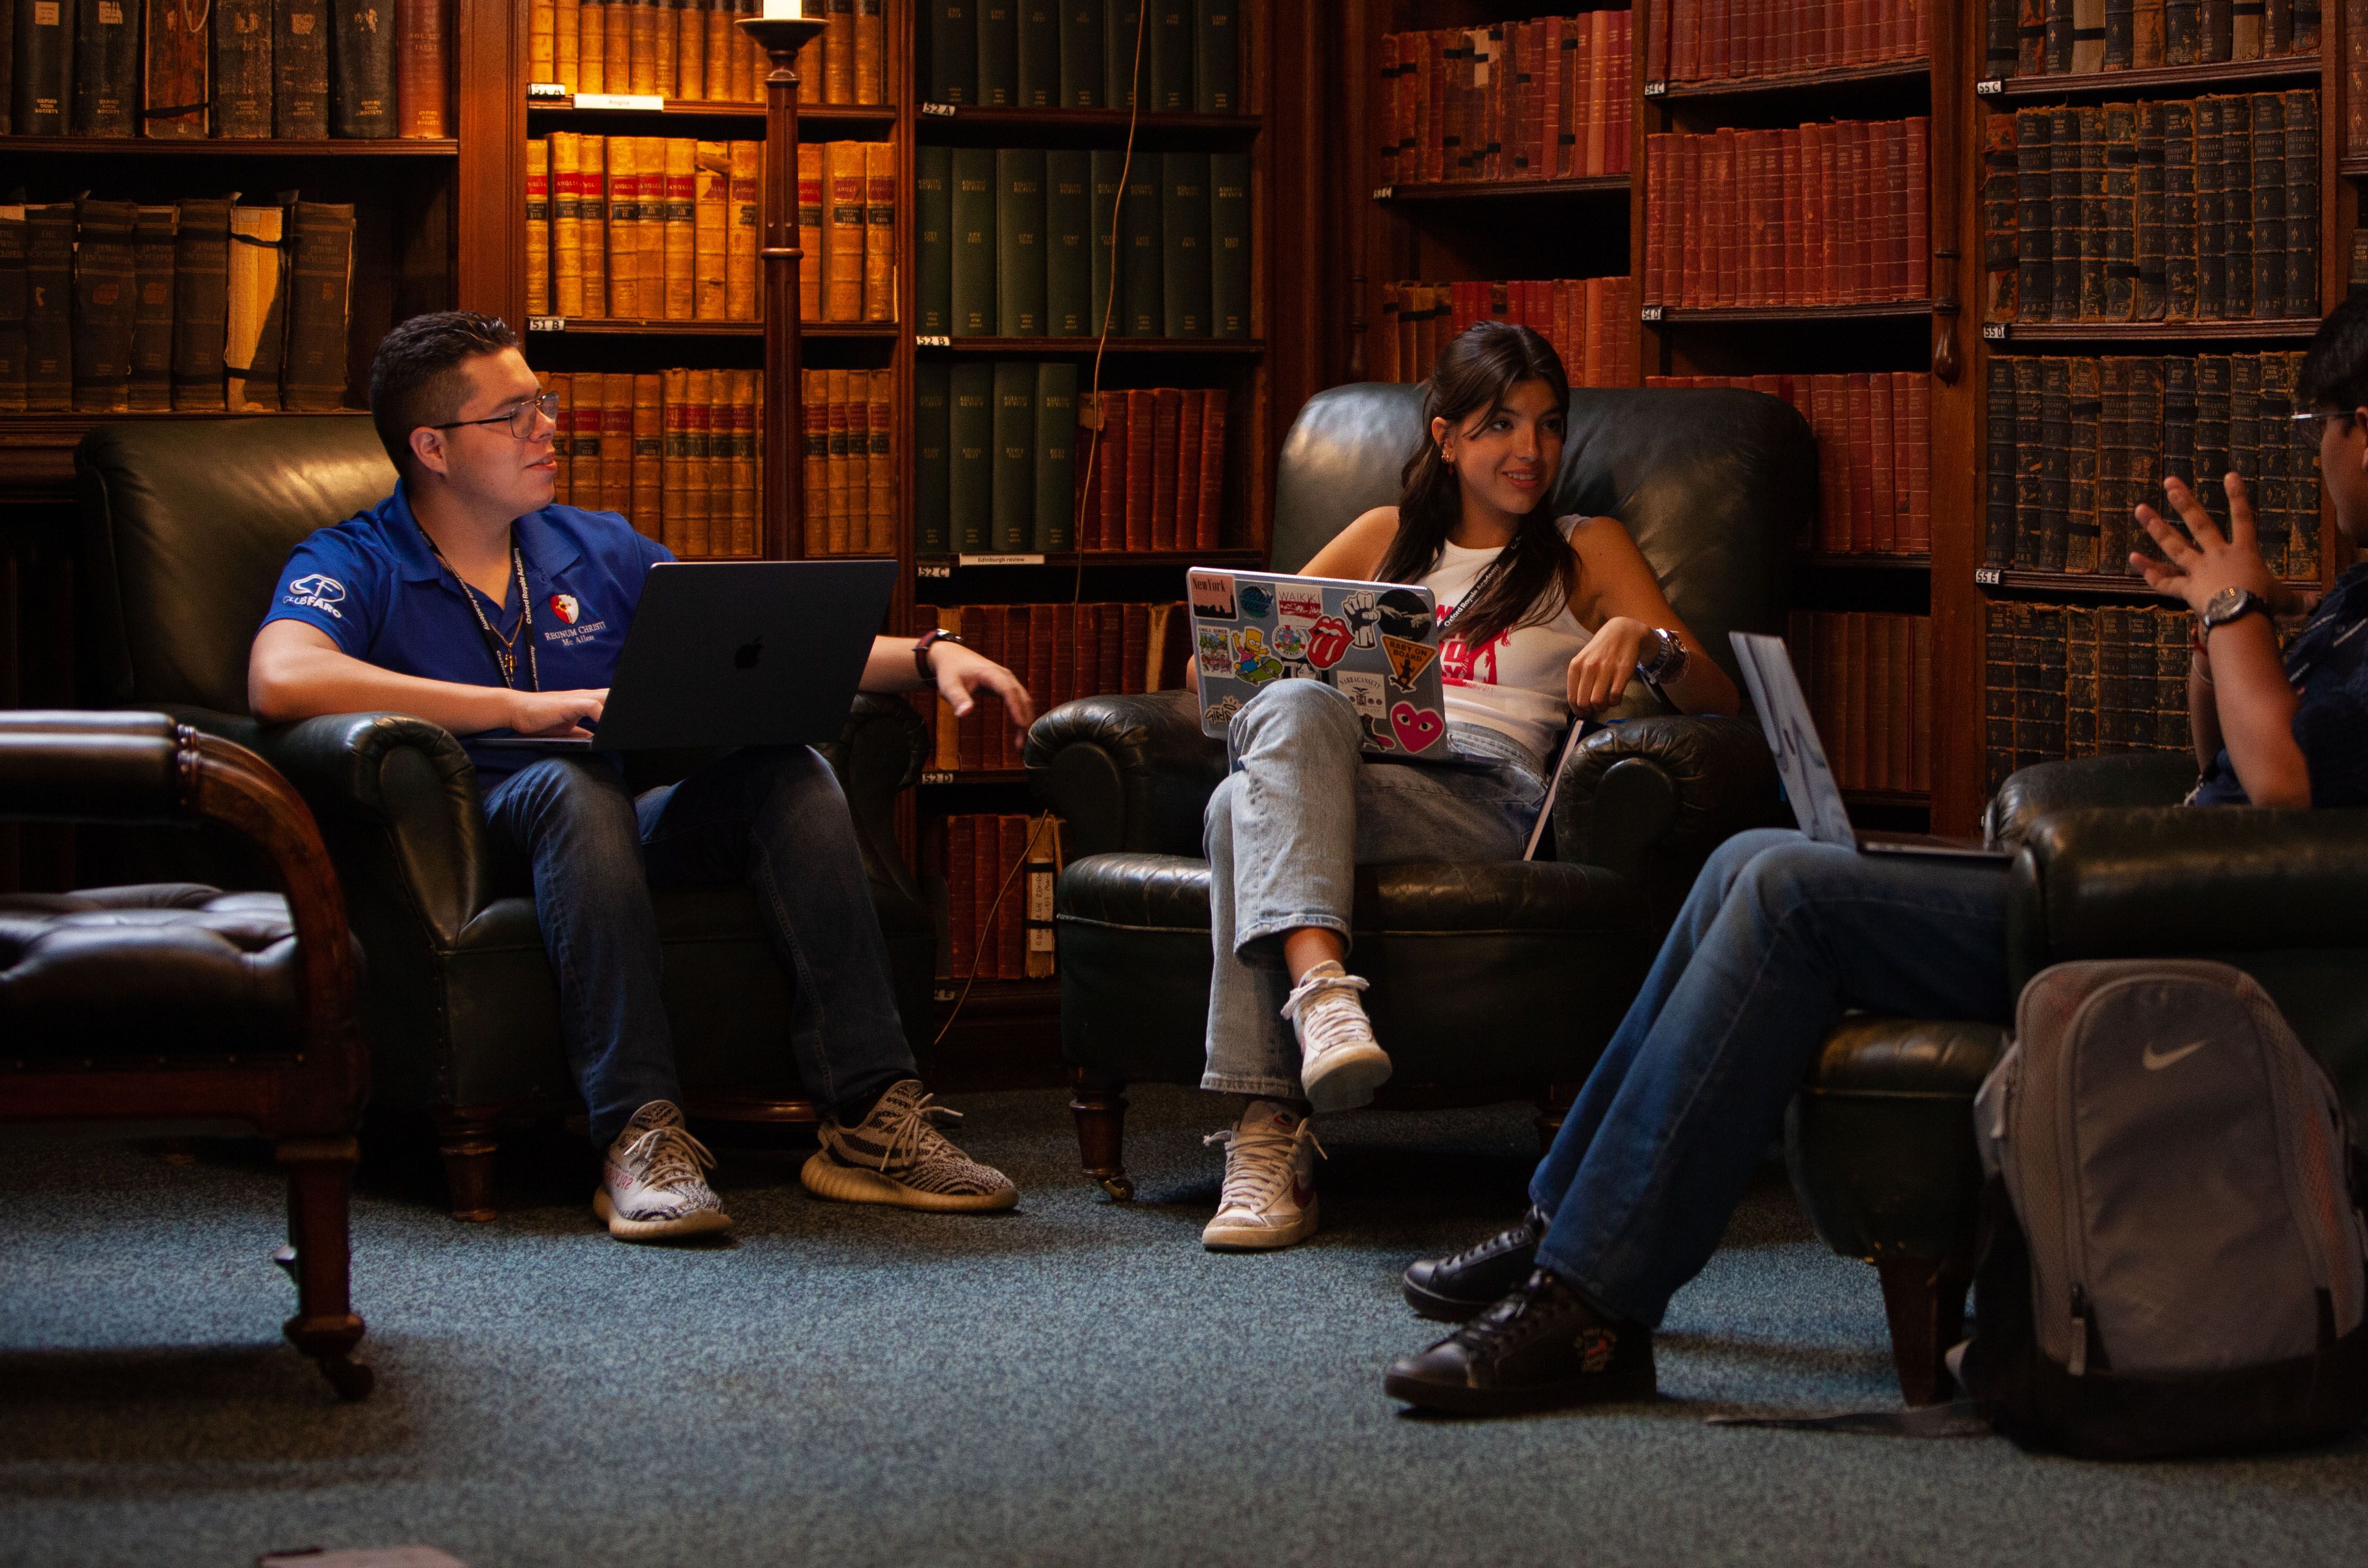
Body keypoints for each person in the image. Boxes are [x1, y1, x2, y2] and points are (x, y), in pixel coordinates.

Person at [1380, 267, 2368, 1415]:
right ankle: (1571, 1213)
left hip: (2218, 929)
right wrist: (2218, 633)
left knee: (1790, 892)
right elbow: (2234, 760)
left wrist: (2235, 607)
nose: (2317, 453)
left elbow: (2287, 784)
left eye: (2322, 428)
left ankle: (1592, 1303)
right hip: (2184, 890)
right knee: (1750, 863)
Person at [247, 312, 1032, 1244]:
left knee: (786, 770)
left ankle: (869, 1115)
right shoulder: (354, 558)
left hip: (614, 829)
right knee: (572, 787)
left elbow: (752, 641)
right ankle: (638, 1134)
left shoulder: (591, 546)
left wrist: (930, 656)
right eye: (516, 414)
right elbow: (281, 676)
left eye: (545, 404)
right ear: (433, 448)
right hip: (468, 842)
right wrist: (514, 710)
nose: (550, 428)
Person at [1192, 321, 1738, 1253]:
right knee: (1276, 738)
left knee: (1236, 810)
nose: (1530, 451)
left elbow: (1721, 703)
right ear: (1445, 437)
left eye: (1548, 425)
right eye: (1499, 425)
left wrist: (1647, 645)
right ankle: (1322, 1005)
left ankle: (1268, 1127)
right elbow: (1247, 668)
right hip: (1346, 781)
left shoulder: (1584, 550)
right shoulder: (1379, 541)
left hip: (1488, 798)